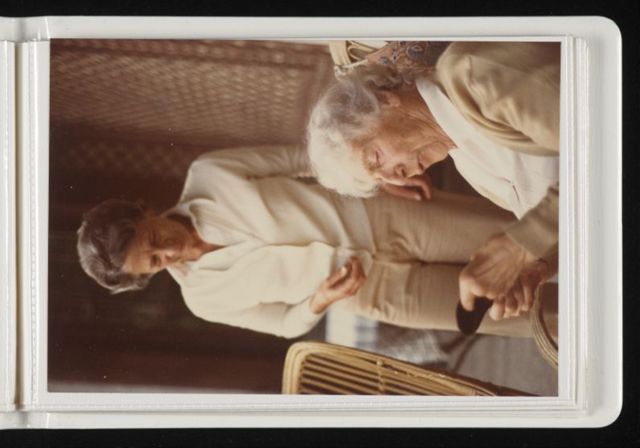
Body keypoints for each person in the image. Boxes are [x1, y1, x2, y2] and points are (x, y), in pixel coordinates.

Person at [77, 145, 530, 339]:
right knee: (513, 316)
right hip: (377, 293)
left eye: (155, 238)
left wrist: (374, 176)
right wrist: (319, 301)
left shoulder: (209, 174)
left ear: (144, 211)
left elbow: (304, 157)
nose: (170, 251)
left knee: (527, 238)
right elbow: (284, 324)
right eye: (155, 262)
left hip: (385, 219)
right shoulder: (203, 300)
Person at [306, 41, 560, 321]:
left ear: (385, 100)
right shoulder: (469, 166)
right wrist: (539, 265)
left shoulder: (471, 77)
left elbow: (594, 144)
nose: (395, 178)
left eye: (376, 158)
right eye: (380, 178)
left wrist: (520, 246)